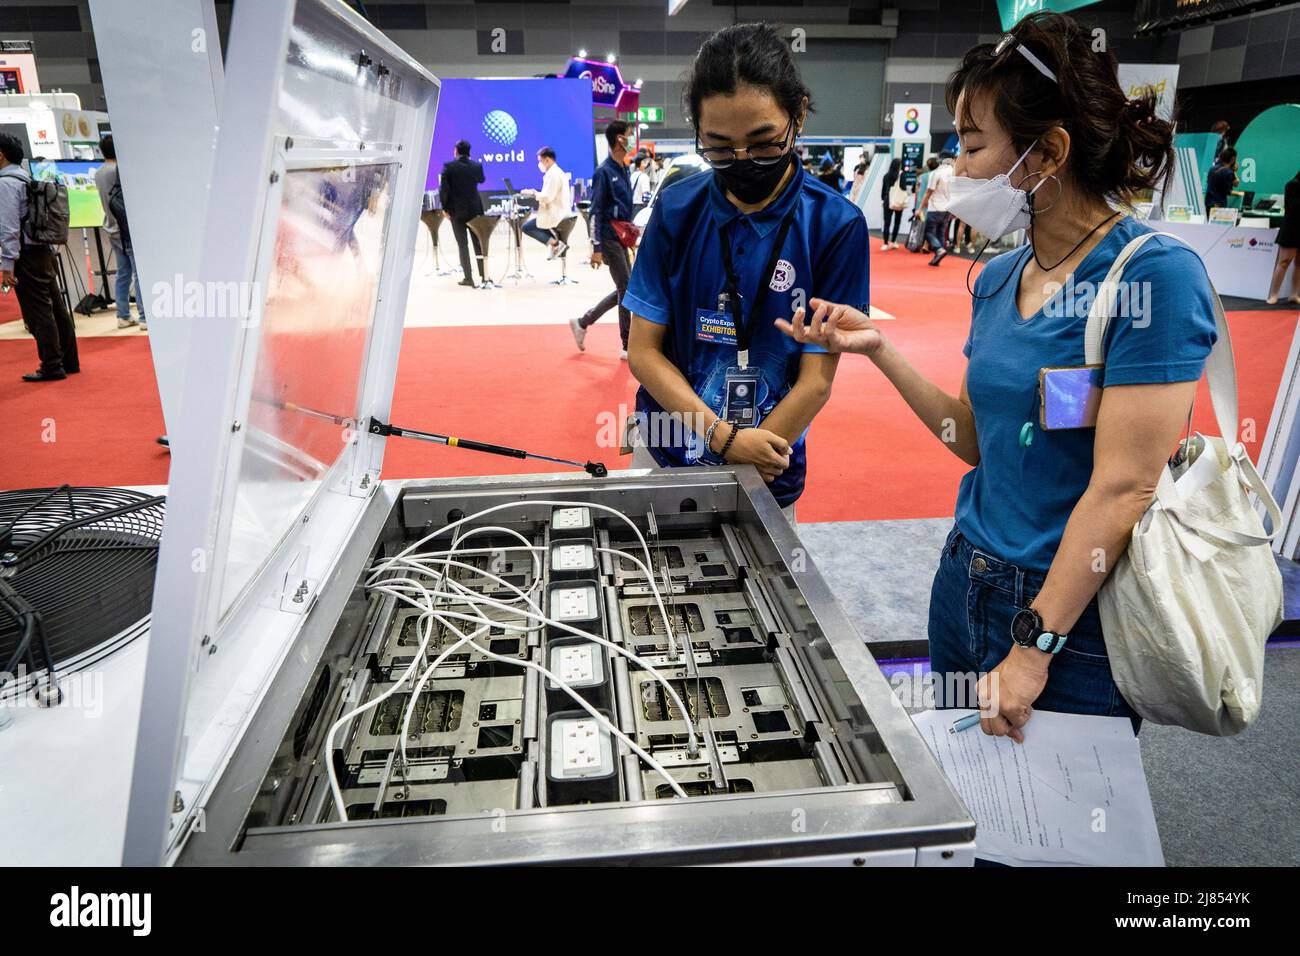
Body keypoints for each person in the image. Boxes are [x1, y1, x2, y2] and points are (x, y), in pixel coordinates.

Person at [778, 11, 1217, 739]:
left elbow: (1124, 487)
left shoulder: (1156, 280)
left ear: (1047, 153)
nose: (957, 166)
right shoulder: (999, 276)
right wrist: (879, 351)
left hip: (1071, 614)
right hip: (964, 580)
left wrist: (1035, 646)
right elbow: (975, 440)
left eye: (974, 144)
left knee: (1062, 838)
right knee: (972, 817)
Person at [624, 22, 868, 526]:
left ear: (797, 115)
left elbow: (816, 380)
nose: (741, 162)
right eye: (718, 147)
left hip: (770, 463)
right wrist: (722, 438)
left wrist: (750, 456)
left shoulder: (836, 225)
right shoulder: (675, 210)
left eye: (762, 144)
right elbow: (644, 351)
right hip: (669, 450)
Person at [0, 132, 79, 382]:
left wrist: (6, 264)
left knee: (38, 312)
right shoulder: (25, 177)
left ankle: (51, 365)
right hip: (43, 250)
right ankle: (68, 360)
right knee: (56, 306)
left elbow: (8, 228)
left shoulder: (5, 184)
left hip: (26, 256)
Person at [571, 120, 634, 358]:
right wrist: (596, 246)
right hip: (608, 237)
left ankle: (583, 322)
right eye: (628, 135)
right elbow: (595, 211)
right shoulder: (604, 172)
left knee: (625, 288)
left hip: (622, 237)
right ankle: (627, 345)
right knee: (626, 288)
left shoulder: (624, 169)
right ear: (619, 139)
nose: (630, 139)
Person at [94, 135, 145, 329]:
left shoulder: (99, 172)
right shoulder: (118, 170)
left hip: (111, 226)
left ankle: (123, 314)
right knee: (138, 273)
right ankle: (144, 316)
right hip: (126, 228)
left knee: (123, 271)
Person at [438, 139, 485, 287]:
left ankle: (468, 278)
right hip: (474, 210)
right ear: (469, 152)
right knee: (478, 242)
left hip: (456, 211)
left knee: (462, 244)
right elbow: (482, 179)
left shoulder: (449, 167)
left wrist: (445, 208)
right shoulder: (476, 166)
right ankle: (484, 274)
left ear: (456, 151)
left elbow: (443, 190)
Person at [520, 147, 572, 260]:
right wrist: (535, 193)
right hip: (557, 212)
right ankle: (555, 244)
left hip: (556, 215)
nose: (539, 164)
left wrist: (534, 194)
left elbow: (547, 197)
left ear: (547, 160)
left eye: (540, 161)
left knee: (526, 227)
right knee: (534, 225)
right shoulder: (554, 172)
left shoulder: (553, 174)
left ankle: (556, 244)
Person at [1267, 168, 1300, 305]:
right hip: (1291, 228)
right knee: (1284, 262)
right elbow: (1294, 207)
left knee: (1299, 264)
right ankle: (1274, 295)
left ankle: (1294, 294)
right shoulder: (1292, 185)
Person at [919, 150, 955, 264]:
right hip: (947, 208)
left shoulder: (936, 173)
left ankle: (938, 250)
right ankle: (937, 257)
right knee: (941, 232)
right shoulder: (955, 172)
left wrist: (920, 208)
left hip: (935, 207)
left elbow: (928, 192)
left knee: (928, 232)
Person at [880, 157, 905, 250]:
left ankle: (885, 243)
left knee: (887, 223)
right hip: (898, 201)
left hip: (887, 200)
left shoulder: (886, 176)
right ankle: (893, 241)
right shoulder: (901, 175)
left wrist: (883, 200)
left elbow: (883, 191)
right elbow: (903, 187)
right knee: (897, 222)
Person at [1205, 146, 1237, 210]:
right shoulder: (1229, 172)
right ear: (1233, 159)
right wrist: (1234, 171)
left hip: (1208, 203)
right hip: (1219, 205)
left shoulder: (1212, 168)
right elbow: (1227, 191)